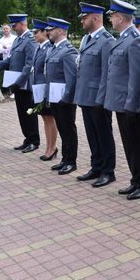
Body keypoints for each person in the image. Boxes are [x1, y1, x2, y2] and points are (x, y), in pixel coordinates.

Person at [104, 0, 140, 200]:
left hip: (131, 104)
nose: (111, 21)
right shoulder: (124, 37)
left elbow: (137, 76)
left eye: (113, 17)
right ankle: (136, 180)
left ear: (121, 18)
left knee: (138, 144)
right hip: (122, 103)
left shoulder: (136, 40)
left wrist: (132, 104)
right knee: (129, 144)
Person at [74, 2, 117, 187]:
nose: (82, 20)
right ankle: (96, 166)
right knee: (92, 134)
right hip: (86, 96)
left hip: (98, 99)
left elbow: (108, 73)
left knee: (103, 134)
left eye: (85, 17)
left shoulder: (106, 41)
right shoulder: (87, 39)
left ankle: (108, 171)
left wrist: (102, 98)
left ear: (96, 18)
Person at [0, 14, 39, 153]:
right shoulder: (17, 40)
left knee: (29, 113)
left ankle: (34, 140)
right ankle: (27, 139)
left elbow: (29, 65)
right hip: (17, 84)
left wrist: (18, 82)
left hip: (25, 84)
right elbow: (10, 59)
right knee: (22, 112)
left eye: (14, 25)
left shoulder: (30, 40)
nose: (12, 27)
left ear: (22, 24)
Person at [44, 17, 78, 175]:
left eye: (52, 29)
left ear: (61, 31)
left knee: (68, 129)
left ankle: (71, 161)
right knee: (62, 128)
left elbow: (71, 78)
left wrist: (67, 98)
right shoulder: (54, 49)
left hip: (65, 99)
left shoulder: (68, 50)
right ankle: (65, 159)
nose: (48, 32)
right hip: (55, 97)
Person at [30, 19, 58, 161]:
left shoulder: (48, 48)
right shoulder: (39, 47)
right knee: (45, 118)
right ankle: (48, 147)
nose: (34, 35)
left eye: (36, 32)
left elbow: (48, 72)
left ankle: (52, 148)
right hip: (38, 89)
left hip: (46, 89)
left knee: (50, 118)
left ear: (44, 33)